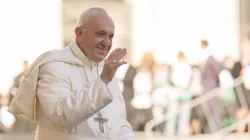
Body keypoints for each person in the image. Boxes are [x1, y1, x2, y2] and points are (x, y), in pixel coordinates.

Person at [8, 7, 135, 140]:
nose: (107, 43)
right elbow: (60, 115)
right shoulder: (54, 65)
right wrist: (102, 81)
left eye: (110, 36)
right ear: (79, 33)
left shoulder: (105, 69)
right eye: (100, 34)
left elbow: (119, 123)